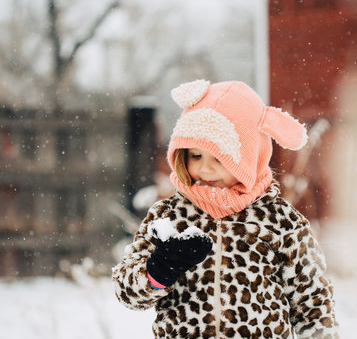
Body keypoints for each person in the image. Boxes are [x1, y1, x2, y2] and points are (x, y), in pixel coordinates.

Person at [112, 80, 339, 339]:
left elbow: (313, 301)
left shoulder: (280, 221)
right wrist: (156, 272)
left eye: (220, 158)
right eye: (195, 156)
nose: (205, 170)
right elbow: (126, 292)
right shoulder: (170, 217)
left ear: (249, 156)